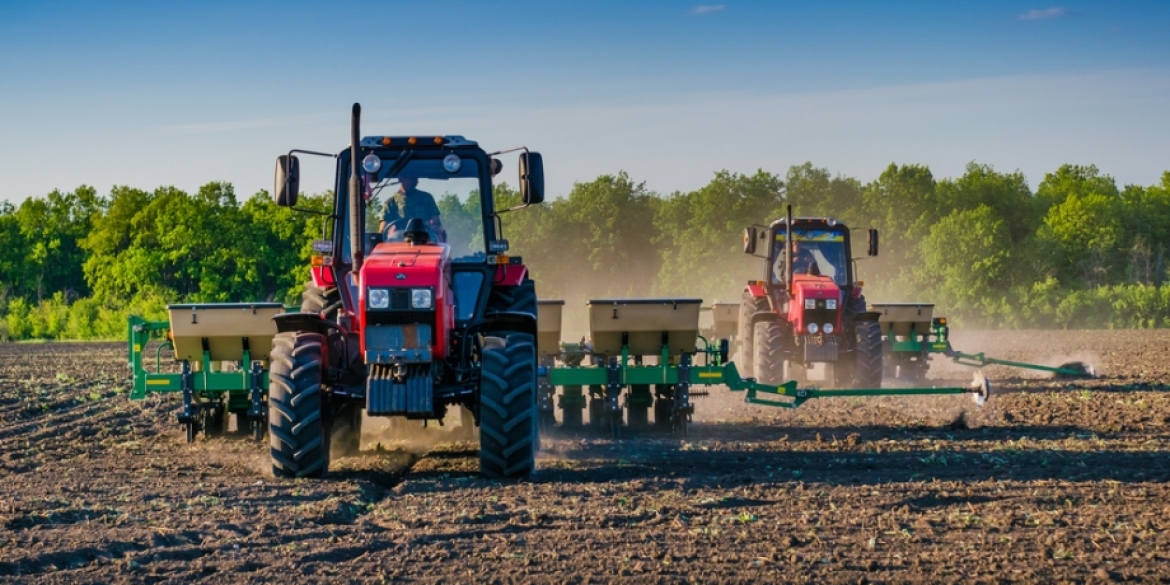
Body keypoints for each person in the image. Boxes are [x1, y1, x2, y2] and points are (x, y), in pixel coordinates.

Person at [378, 174, 444, 241]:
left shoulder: (426, 198)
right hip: (398, 241)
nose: (412, 180)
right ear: (400, 178)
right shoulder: (390, 202)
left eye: (413, 177)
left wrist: (433, 228)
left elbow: (438, 225)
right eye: (407, 176)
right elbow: (383, 229)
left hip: (424, 239)